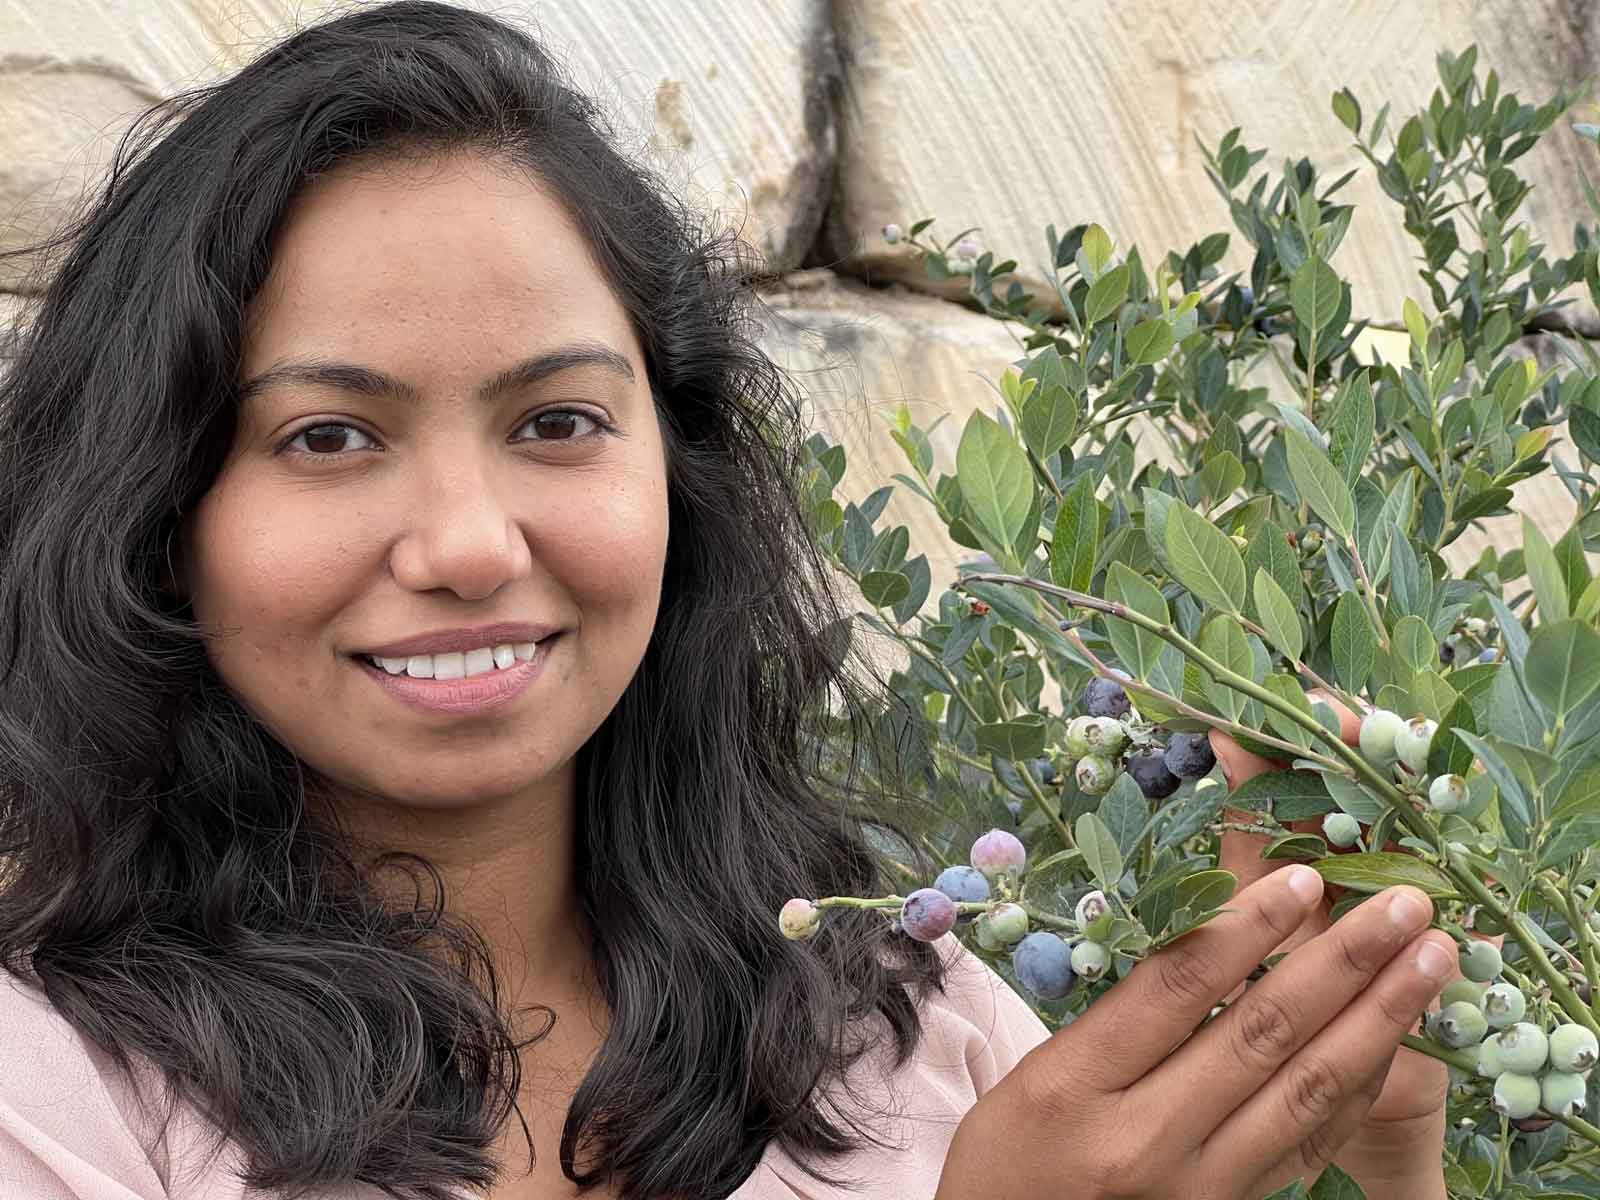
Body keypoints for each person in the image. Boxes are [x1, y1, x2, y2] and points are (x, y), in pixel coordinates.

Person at [0, 3, 1457, 1198]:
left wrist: (1390, 1160)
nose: (466, 544)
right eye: (328, 438)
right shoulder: (47, 1093)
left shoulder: (906, 1025)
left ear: (676, 471)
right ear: (162, 511)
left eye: (556, 421)